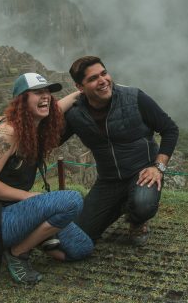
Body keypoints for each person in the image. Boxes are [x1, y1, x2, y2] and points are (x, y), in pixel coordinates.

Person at [0, 72, 93, 284]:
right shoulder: (8, 133)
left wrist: (82, 92)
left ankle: (33, 237)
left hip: (21, 213)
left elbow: (58, 107)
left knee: (82, 249)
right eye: (38, 93)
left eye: (47, 92)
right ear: (22, 100)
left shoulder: (35, 127)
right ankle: (18, 252)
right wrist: (28, 197)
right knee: (72, 200)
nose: (46, 96)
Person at [58, 55, 179, 246]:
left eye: (104, 73)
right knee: (78, 237)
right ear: (80, 88)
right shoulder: (76, 114)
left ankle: (137, 219)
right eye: (93, 79)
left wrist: (158, 167)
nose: (103, 81)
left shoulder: (134, 97)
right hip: (108, 180)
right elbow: (52, 139)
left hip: (142, 173)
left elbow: (169, 129)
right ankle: (121, 204)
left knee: (143, 204)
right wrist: (7, 122)